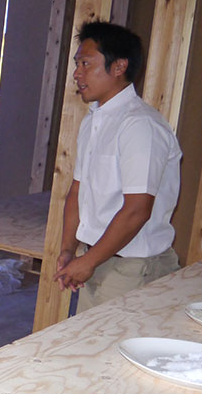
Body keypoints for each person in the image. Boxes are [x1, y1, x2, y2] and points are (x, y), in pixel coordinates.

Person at [54, 21, 181, 311]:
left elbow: (137, 209)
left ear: (119, 66)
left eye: (86, 63)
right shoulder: (93, 121)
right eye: (77, 64)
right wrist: (68, 249)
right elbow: (77, 191)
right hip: (100, 261)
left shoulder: (140, 126)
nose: (77, 73)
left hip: (132, 269)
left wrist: (88, 261)